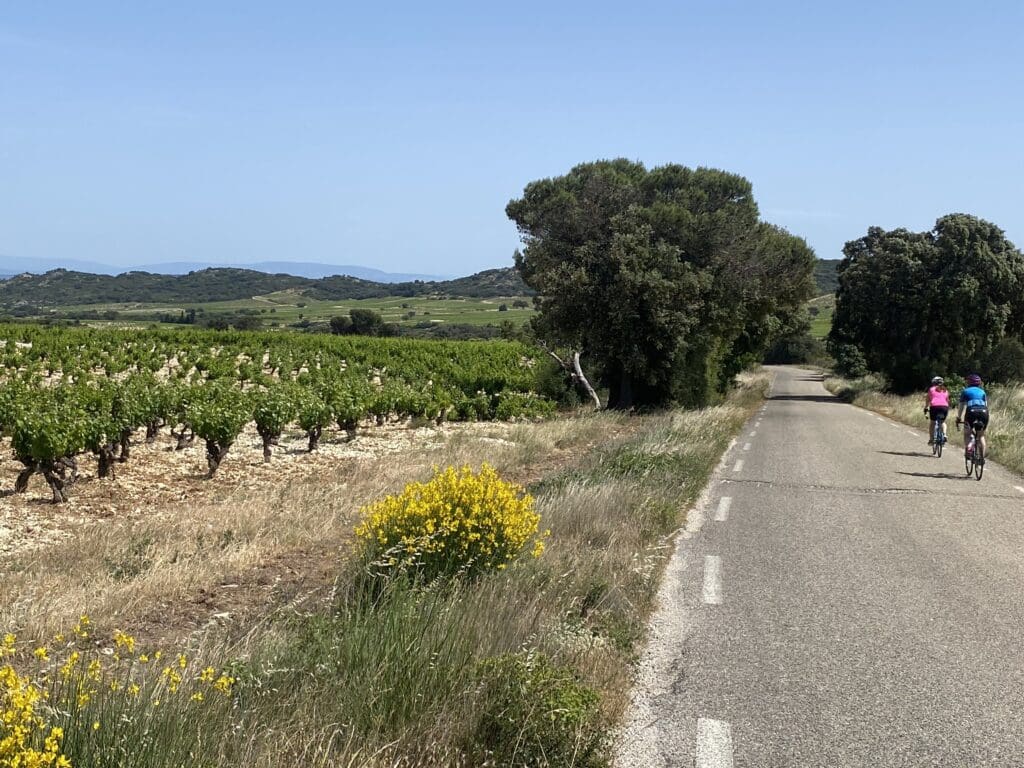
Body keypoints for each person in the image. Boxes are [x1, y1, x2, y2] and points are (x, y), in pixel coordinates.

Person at [956, 373, 989, 461]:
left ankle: (969, 449)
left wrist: (958, 418)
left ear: (968, 382)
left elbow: (961, 406)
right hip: (984, 411)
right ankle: (982, 458)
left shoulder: (965, 391)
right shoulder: (983, 392)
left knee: (967, 433)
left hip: (971, 411)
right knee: (981, 435)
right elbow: (986, 405)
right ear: (979, 383)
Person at [922, 376, 950, 445]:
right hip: (944, 407)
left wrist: (926, 407)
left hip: (934, 407)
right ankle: (944, 434)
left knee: (932, 423)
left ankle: (931, 439)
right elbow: (947, 400)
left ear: (934, 382)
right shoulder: (945, 390)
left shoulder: (931, 389)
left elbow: (928, 399)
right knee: (943, 422)